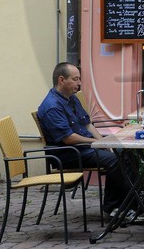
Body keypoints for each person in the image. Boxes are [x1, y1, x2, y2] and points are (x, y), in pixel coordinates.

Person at [37, 62, 130, 218]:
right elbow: (68, 138)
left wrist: (105, 143)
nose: (79, 83)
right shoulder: (52, 106)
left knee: (124, 150)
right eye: (75, 79)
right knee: (113, 160)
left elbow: (87, 123)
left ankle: (130, 202)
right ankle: (113, 208)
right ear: (62, 80)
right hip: (66, 154)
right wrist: (95, 142)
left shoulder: (71, 98)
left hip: (82, 147)